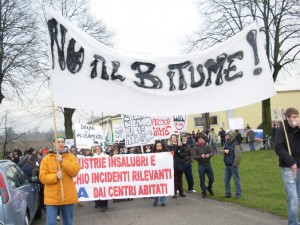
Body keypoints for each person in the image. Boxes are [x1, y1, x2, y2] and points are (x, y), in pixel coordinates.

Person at [39, 136, 81, 225]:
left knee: (68, 222)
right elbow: (42, 177)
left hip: (67, 196)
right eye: (58, 142)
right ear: (54, 144)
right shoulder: (46, 159)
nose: (61, 143)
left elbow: (74, 172)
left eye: (62, 141)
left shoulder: (71, 157)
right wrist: (55, 177)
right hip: (52, 197)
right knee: (50, 222)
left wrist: (63, 161)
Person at [274, 107, 300, 225]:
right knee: (293, 197)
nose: (296, 119)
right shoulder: (281, 130)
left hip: (299, 166)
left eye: (297, 117)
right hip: (288, 167)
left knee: (298, 196)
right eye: (294, 117)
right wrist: (291, 162)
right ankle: (293, 223)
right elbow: (278, 148)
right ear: (288, 118)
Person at [220, 131, 242, 199]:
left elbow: (238, 156)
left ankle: (238, 194)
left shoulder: (236, 144)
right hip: (227, 165)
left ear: (231, 136)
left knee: (236, 180)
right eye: (226, 135)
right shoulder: (226, 143)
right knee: (226, 180)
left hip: (233, 165)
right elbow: (220, 151)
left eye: (227, 135)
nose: (226, 136)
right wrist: (224, 151)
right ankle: (228, 193)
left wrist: (235, 164)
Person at [192, 134, 214, 198]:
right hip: (201, 165)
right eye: (199, 139)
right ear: (197, 140)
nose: (201, 140)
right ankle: (204, 192)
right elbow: (194, 157)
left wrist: (209, 155)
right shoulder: (195, 147)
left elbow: (212, 153)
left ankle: (209, 188)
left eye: (201, 139)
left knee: (211, 178)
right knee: (202, 179)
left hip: (208, 164)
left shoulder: (207, 146)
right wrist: (201, 156)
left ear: (203, 139)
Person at [167, 134, 187, 198]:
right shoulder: (169, 147)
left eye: (175, 138)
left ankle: (181, 192)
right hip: (173, 164)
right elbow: (172, 154)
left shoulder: (180, 146)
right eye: (172, 138)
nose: (174, 139)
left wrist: (180, 153)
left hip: (180, 164)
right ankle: (174, 192)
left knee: (180, 178)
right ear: (170, 139)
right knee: (174, 179)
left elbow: (184, 154)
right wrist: (177, 148)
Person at [93, 145, 108, 212]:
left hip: (105, 176)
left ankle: (104, 205)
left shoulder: (105, 155)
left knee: (105, 191)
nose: (98, 150)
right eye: (96, 149)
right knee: (98, 191)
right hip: (96, 177)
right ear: (94, 150)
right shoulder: (92, 157)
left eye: (99, 149)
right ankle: (99, 204)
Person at [152, 141, 167, 207]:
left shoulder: (165, 154)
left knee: (162, 186)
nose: (159, 147)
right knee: (155, 187)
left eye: (160, 146)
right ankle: (155, 201)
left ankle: (163, 201)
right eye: (157, 146)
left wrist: (171, 154)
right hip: (155, 172)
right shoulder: (152, 154)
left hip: (162, 173)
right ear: (155, 146)